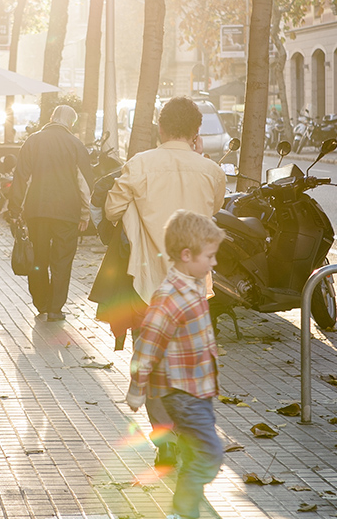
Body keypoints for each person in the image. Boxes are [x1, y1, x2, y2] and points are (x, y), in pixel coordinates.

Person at [92, 95, 226, 467]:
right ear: (196, 132)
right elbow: (213, 209)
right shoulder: (210, 170)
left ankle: (163, 437)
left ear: (161, 127)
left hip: (146, 283)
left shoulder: (139, 166)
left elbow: (112, 209)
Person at [126, 209, 225, 519]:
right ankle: (182, 511)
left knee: (197, 451)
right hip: (182, 393)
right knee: (210, 454)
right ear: (186, 254)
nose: (214, 262)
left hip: (198, 390)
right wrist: (136, 388)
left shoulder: (194, 283)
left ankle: (187, 510)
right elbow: (148, 344)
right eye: (209, 256)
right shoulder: (169, 296)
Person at [8, 105, 94, 321]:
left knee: (39, 257)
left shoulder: (33, 141)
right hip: (67, 212)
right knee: (62, 260)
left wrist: (15, 208)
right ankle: (56, 308)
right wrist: (85, 214)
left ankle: (41, 303)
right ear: (71, 123)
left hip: (37, 210)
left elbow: (21, 176)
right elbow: (84, 184)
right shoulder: (76, 145)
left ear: (51, 117)